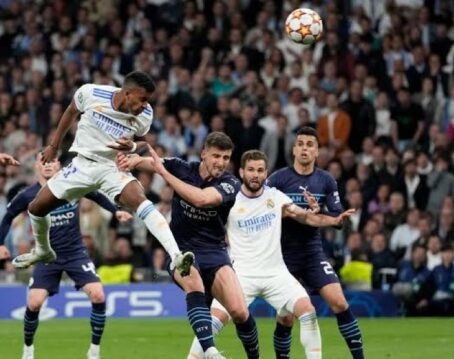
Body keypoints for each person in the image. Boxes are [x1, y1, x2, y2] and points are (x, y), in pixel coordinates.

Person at [11, 71, 194, 279]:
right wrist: (54, 146)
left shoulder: (145, 114)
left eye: (148, 100)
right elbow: (71, 111)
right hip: (81, 165)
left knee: (141, 201)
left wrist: (132, 145)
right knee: (36, 209)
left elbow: (143, 143)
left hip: (111, 167)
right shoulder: (91, 93)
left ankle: (176, 255)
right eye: (142, 99)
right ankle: (43, 250)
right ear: (127, 93)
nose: (145, 105)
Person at [185, 149, 355, 358]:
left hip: (276, 273)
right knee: (214, 320)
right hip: (241, 274)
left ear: (266, 173)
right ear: (241, 172)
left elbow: (306, 218)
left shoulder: (275, 197)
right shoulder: (229, 199)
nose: (255, 175)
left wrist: (333, 220)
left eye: (259, 170)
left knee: (307, 311)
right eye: (250, 170)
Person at [117, 132, 256, 359]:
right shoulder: (181, 167)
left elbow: (201, 199)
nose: (221, 162)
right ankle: (210, 351)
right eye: (216, 156)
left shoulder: (231, 183)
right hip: (180, 250)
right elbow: (151, 162)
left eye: (225, 157)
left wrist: (165, 175)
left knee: (240, 312)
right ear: (203, 154)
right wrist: (131, 160)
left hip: (215, 252)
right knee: (194, 283)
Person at [0, 154, 133, 359]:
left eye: (51, 161)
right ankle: (28, 350)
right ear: (36, 166)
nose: (47, 165)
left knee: (98, 295)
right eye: (43, 162)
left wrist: (116, 212)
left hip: (75, 252)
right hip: (46, 256)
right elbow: (8, 217)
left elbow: (96, 195)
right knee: (34, 303)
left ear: (59, 165)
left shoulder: (73, 185)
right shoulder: (28, 195)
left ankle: (94, 351)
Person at [266, 127, 366, 359]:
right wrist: (294, 212)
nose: (304, 148)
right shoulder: (278, 179)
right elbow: (263, 210)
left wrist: (322, 212)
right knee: (286, 316)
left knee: (340, 303)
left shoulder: (326, 180)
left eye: (310, 144)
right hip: (283, 257)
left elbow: (338, 218)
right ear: (293, 149)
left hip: (312, 254)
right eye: (300, 143)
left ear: (317, 151)